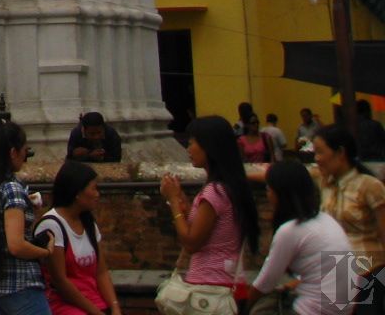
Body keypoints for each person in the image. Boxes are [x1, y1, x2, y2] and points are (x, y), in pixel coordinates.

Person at [159, 115, 260, 315]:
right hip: (226, 281)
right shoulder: (229, 187)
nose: (188, 149)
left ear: (209, 147)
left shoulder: (215, 191)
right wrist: (186, 207)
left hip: (208, 286)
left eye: (192, 142)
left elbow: (191, 242)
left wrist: (173, 203)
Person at [0, 120, 53, 315]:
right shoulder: (11, 189)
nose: (25, 155)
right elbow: (16, 245)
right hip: (21, 286)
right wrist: (45, 253)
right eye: (24, 149)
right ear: (13, 152)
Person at [247, 159, 353, 315]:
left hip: (315, 309)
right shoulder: (326, 219)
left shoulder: (290, 230)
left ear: (280, 194)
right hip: (344, 308)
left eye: (269, 189)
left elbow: (265, 282)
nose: (268, 194)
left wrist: (245, 307)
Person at [313, 124, 385, 312]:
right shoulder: (324, 183)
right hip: (335, 269)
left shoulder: (369, 186)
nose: (317, 159)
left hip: (368, 268)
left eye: (320, 152)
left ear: (340, 152)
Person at [33, 161, 120, 315]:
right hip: (66, 305)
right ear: (78, 193)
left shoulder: (88, 223)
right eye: (93, 188)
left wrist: (114, 307)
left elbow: (101, 272)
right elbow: (60, 281)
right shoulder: (52, 225)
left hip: (95, 301)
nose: (97, 194)